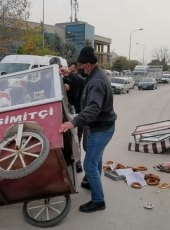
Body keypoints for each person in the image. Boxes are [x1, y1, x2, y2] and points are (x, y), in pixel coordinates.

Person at [59, 46, 117, 213]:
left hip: (101, 129)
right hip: (103, 127)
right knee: (96, 160)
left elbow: (93, 108)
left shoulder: (97, 81)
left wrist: (74, 122)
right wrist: (70, 75)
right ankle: (93, 184)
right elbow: (84, 82)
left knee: (89, 164)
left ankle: (98, 201)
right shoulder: (94, 76)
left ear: (89, 65)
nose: (80, 69)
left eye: (81, 66)